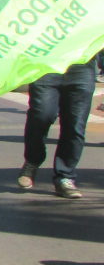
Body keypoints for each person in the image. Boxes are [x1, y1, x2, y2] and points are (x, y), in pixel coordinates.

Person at [17, 57, 98, 198]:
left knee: (75, 125)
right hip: (46, 67)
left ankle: (65, 176)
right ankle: (33, 160)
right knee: (41, 115)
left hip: (82, 68)